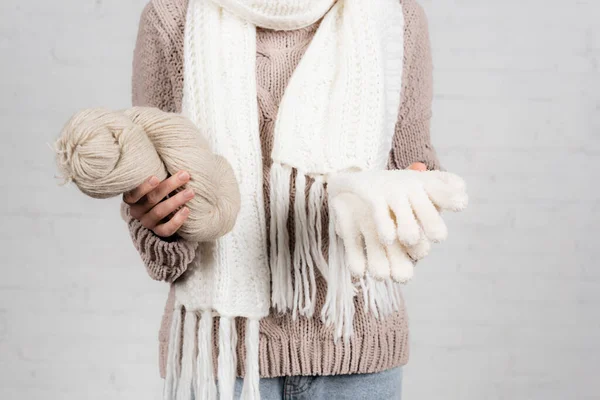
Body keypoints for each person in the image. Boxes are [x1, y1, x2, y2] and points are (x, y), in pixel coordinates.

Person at [121, 0, 439, 398]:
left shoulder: (393, 13)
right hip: (222, 360)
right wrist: (158, 222)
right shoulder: (174, 15)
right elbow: (151, 203)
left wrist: (408, 205)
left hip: (357, 355)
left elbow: (415, 169)